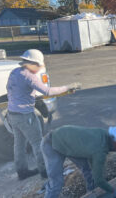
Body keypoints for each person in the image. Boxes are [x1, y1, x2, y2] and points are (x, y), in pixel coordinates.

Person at [7, 49, 80, 180]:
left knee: (19, 144)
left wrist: (28, 98)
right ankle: (45, 171)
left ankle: (22, 172)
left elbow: (12, 90)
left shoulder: (14, 72)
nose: (39, 68)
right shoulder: (29, 76)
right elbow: (47, 91)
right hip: (25, 116)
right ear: (32, 63)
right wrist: (68, 87)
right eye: (38, 65)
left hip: (12, 114)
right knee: (38, 143)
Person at [41, 125, 116, 198]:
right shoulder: (99, 151)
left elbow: (96, 171)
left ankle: (91, 193)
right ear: (115, 141)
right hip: (51, 143)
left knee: (88, 169)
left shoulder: (103, 133)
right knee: (57, 183)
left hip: (68, 143)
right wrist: (114, 191)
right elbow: (99, 180)